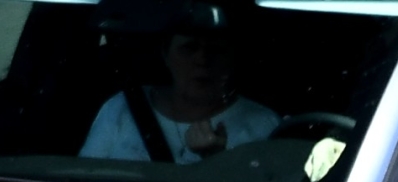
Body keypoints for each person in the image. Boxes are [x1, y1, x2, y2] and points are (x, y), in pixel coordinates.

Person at [82, 7, 279, 164]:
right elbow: (85, 178)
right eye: (189, 48)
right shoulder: (121, 108)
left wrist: (217, 159)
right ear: (166, 55)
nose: (202, 60)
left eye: (215, 50)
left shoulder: (263, 124)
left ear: (232, 59)